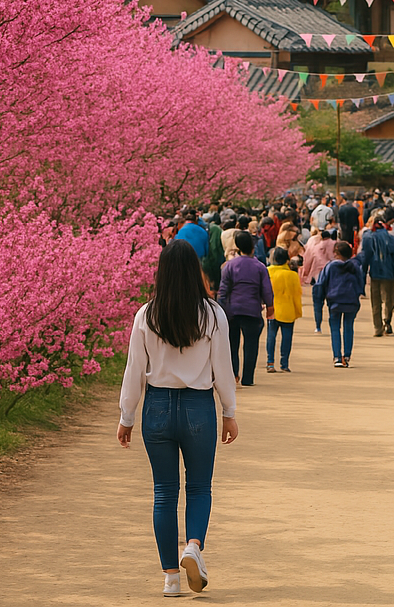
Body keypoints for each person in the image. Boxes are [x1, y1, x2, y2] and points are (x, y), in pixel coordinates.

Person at [118, 240, 238, 598]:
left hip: (156, 406)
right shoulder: (213, 314)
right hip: (198, 406)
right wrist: (229, 412)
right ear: (194, 271)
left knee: (164, 492)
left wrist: (127, 415)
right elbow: (223, 367)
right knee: (199, 487)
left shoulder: (146, 315)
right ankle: (193, 546)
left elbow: (134, 370)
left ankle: (171, 578)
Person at [217, 231, 273, 387]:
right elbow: (266, 290)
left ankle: (233, 374)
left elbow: (223, 290)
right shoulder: (260, 267)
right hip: (252, 310)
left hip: (232, 310)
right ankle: (248, 378)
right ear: (253, 247)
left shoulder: (229, 266)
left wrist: (220, 308)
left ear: (238, 247)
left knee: (232, 344)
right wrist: (270, 306)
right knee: (251, 345)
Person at [318, 241, 363, 367]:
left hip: (334, 301)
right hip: (351, 301)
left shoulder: (330, 267)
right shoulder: (355, 266)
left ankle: (337, 356)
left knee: (335, 328)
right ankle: (346, 356)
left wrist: (321, 299)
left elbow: (321, 283)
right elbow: (361, 282)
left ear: (336, 253)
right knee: (348, 327)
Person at [359, 215, 394, 337]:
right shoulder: (391, 238)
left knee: (376, 301)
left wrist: (363, 273)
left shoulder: (368, 237)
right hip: (389, 272)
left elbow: (365, 256)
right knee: (389, 299)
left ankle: (377, 327)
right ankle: (387, 320)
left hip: (375, 272)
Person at [265, 247, 303, 373]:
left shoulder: (268, 272)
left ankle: (270, 362)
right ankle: (284, 363)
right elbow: (297, 295)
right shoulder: (292, 275)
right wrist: (297, 311)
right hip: (288, 310)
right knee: (287, 337)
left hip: (273, 308)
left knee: (271, 336)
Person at [301, 226, 337, 334]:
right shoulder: (336, 245)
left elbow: (308, 260)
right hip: (333, 277)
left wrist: (305, 274)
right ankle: (334, 324)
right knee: (332, 304)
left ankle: (318, 326)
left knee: (317, 303)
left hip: (318, 277)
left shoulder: (316, 247)